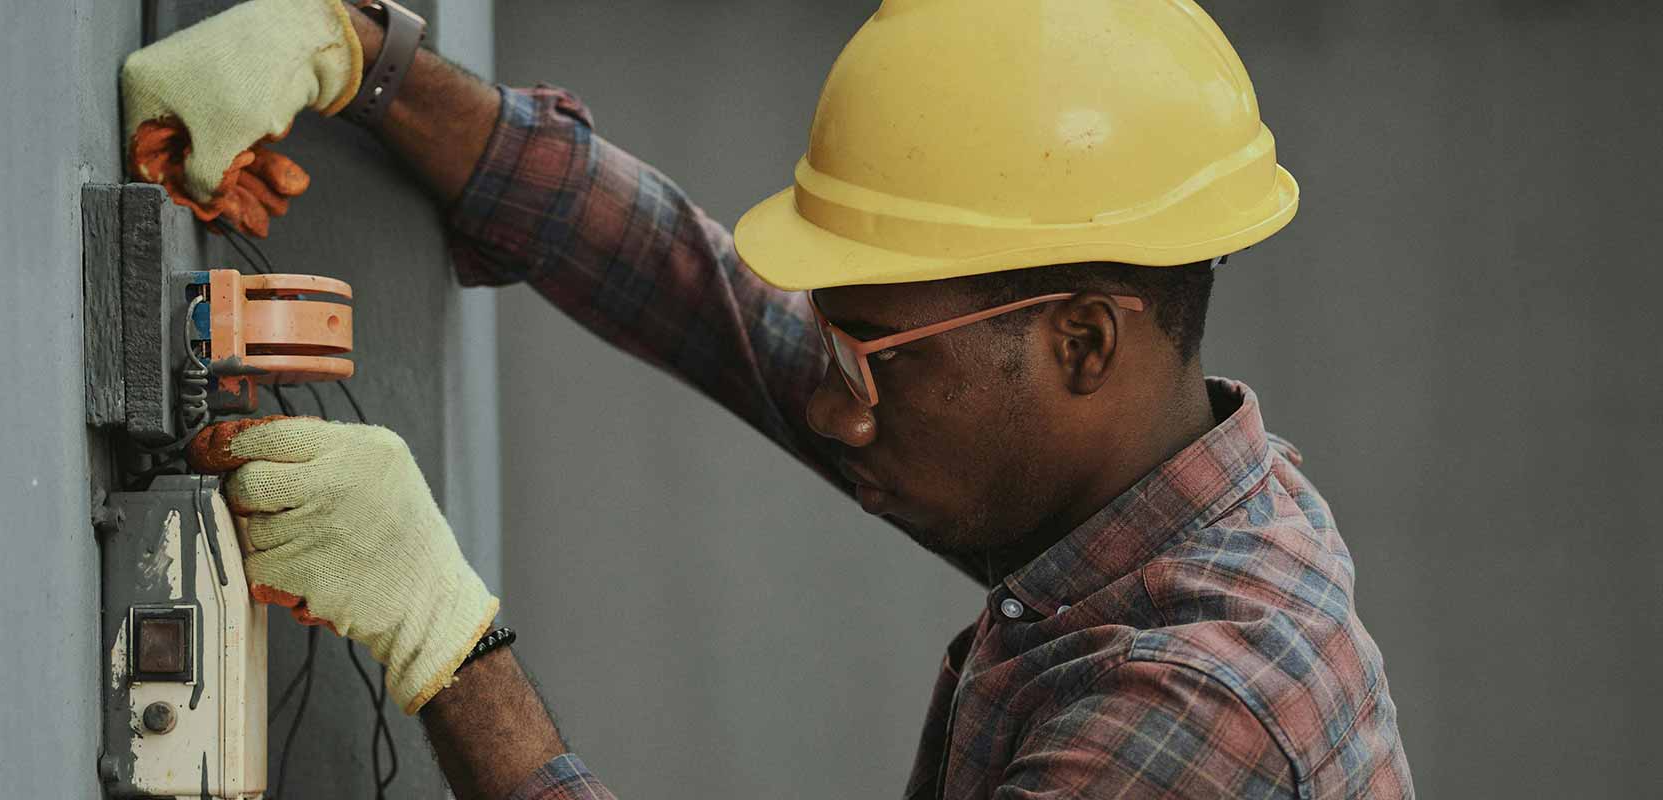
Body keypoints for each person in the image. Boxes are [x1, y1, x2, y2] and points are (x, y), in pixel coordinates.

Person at [125, 0, 1415, 796]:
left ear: (1082, 343)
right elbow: (696, 288)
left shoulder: (1194, 714)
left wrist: (447, 642)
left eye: (870, 362)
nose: (838, 409)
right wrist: (354, 55)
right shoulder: (1133, 486)